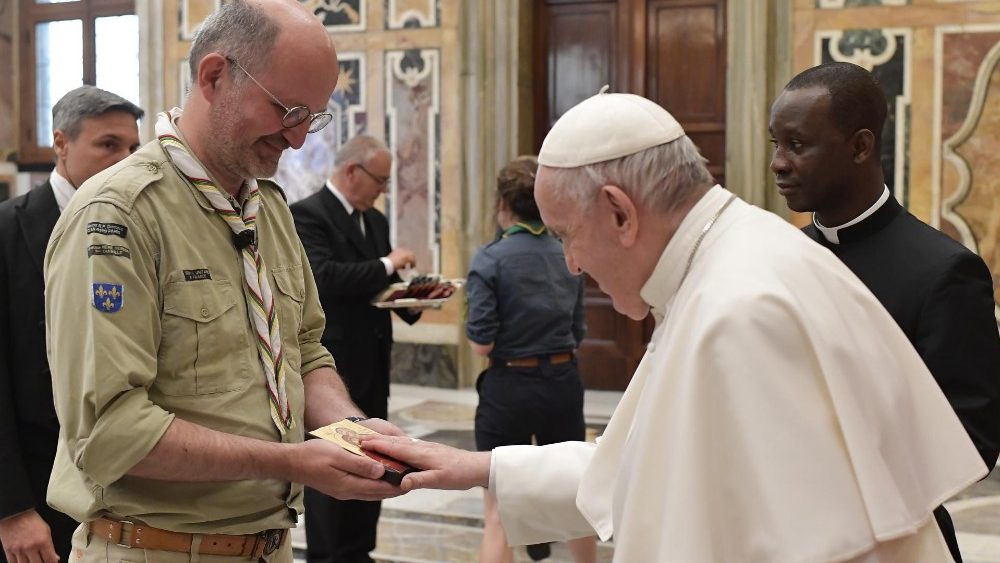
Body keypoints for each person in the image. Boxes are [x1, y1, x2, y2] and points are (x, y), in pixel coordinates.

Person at [362, 90, 989, 562]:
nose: (572, 264)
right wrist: (480, 467)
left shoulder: (738, 312)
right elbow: (652, 465)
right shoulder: (733, 257)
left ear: (619, 212)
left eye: (567, 237)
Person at [43, 3, 403, 563]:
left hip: (267, 546)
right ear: (214, 77)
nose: (300, 139)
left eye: (314, 116)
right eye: (287, 110)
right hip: (155, 547)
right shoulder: (119, 214)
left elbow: (305, 351)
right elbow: (110, 432)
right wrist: (289, 461)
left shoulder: (270, 212)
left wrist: (350, 429)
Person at [769, 61, 1000, 562]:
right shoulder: (779, 260)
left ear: (860, 146)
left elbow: (973, 442)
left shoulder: (945, 272)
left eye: (798, 144)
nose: (779, 163)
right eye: (775, 144)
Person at [0, 86, 142, 563]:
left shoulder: (137, 229)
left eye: (132, 148)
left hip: (127, 488)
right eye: (109, 145)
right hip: (37, 487)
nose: (125, 160)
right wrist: (12, 510)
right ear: (61, 143)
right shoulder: (6, 231)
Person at [290, 134, 425, 563]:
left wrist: (414, 298)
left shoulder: (376, 221)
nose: (384, 190)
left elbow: (377, 285)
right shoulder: (308, 215)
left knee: (377, 458)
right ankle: (328, 556)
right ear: (352, 172)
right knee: (333, 463)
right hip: (331, 371)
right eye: (380, 181)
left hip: (373, 365)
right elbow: (325, 278)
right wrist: (388, 264)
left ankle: (359, 551)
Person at [464, 155, 594, 563]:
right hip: (562, 383)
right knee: (577, 500)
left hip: (510, 389)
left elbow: (481, 343)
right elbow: (578, 331)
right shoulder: (566, 252)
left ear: (503, 203)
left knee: (499, 511)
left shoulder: (490, 258)